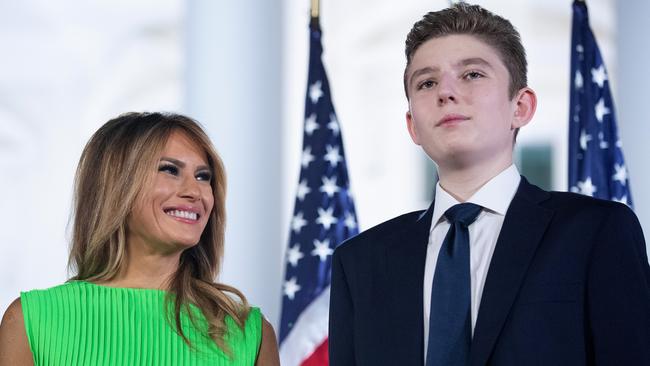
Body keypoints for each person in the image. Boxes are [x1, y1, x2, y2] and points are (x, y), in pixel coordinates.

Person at [329, 3, 650, 366]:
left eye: (472, 75)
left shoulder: (596, 232)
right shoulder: (358, 262)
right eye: (427, 82)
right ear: (413, 125)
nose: (445, 93)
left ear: (521, 107)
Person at [0, 112, 281, 366]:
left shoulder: (249, 333)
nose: (195, 192)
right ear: (116, 185)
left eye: (203, 176)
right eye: (170, 169)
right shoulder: (31, 322)